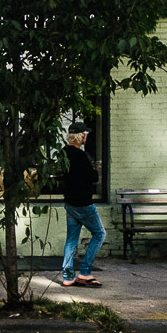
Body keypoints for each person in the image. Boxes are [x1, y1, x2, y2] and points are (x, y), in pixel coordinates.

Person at [60, 122, 105, 288]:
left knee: (71, 240)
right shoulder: (81, 156)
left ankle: (68, 276)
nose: (86, 137)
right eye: (85, 134)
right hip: (84, 203)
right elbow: (93, 177)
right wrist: (95, 169)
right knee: (100, 234)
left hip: (70, 202)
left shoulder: (63, 153)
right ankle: (85, 272)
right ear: (81, 136)